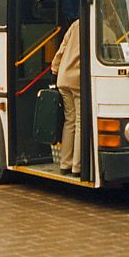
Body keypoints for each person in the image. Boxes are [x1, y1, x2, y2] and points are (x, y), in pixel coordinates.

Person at [51, 19, 81, 177]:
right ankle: (77, 167)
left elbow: (62, 48)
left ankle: (65, 164)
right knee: (80, 121)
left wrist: (55, 69)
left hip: (63, 77)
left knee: (70, 120)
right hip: (78, 79)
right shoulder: (100, 25)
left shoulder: (76, 24)